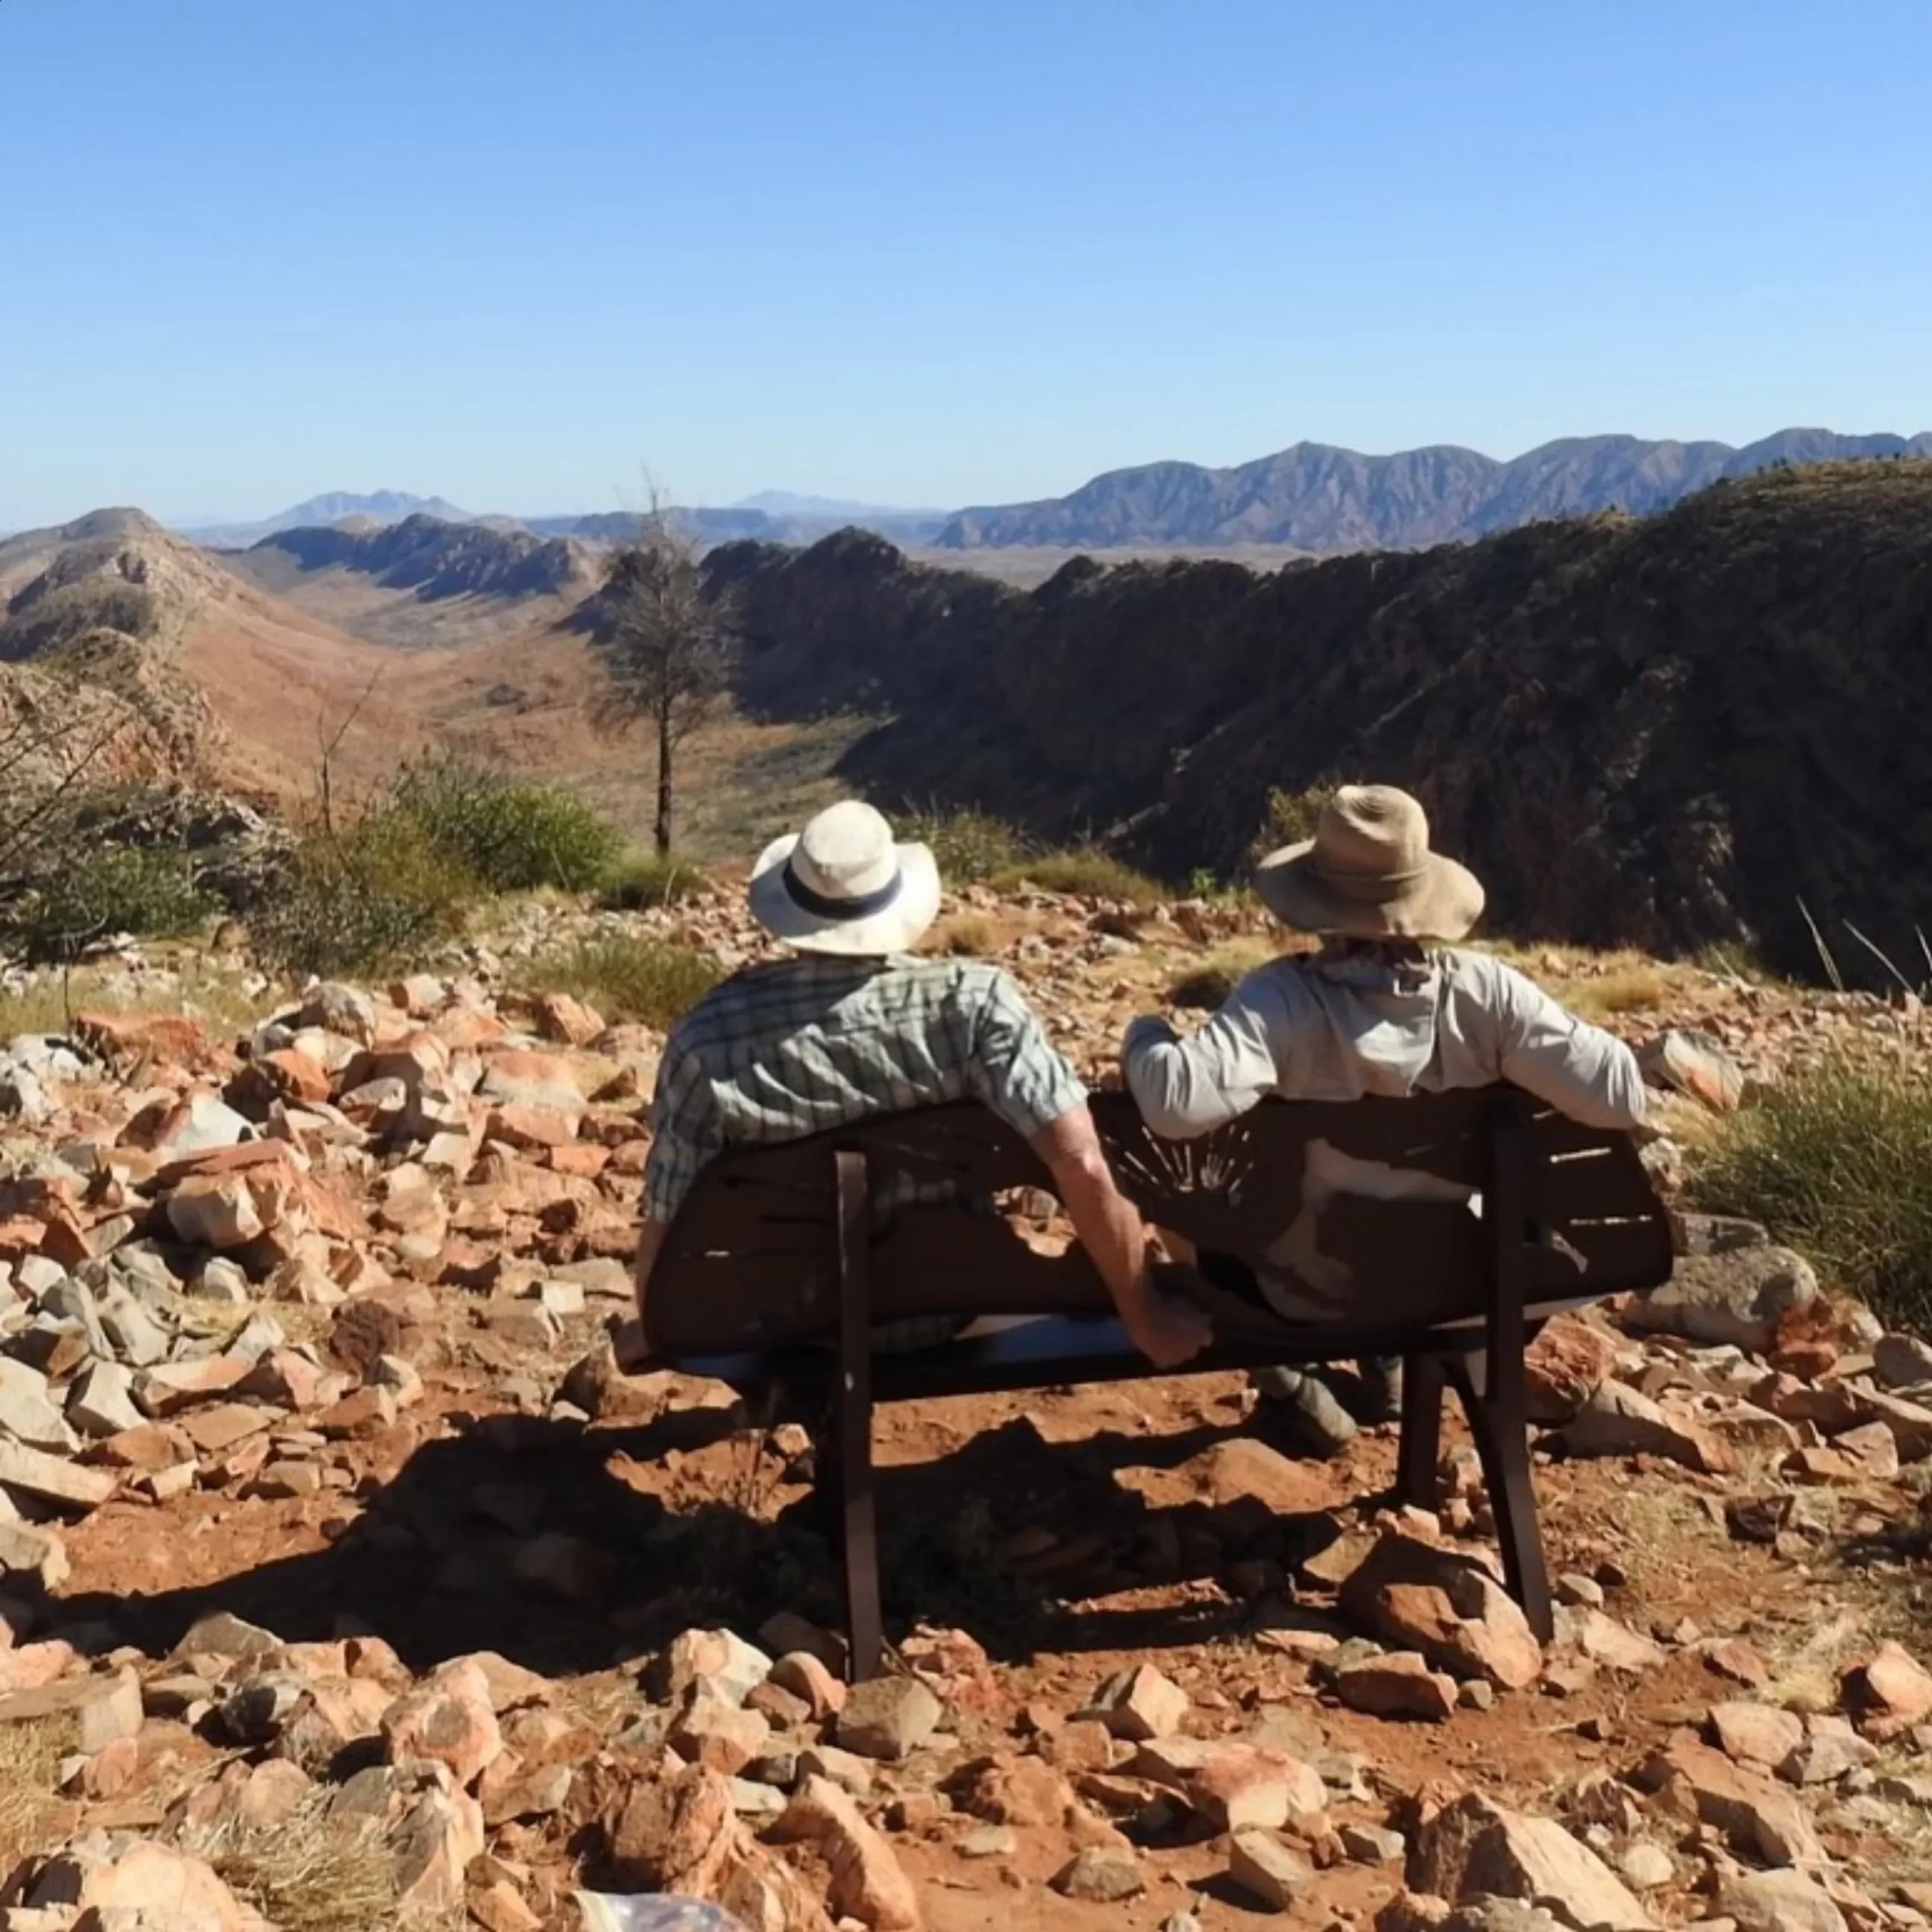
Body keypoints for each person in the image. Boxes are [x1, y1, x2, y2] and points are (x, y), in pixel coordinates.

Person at [1121, 783, 1647, 1456]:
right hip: (1464, 1281)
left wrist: (1145, 1035)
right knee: (1418, 1205)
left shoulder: (1282, 998)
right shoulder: (1485, 993)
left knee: (1182, 1201)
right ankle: (1390, 1366)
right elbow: (1622, 1095)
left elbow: (1173, 1105)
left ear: (1316, 900)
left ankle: (1287, 1384)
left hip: (1299, 1294)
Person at [629, 799, 1213, 1369]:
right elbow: (1081, 1163)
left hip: (796, 1322)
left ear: (792, 910)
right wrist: (1143, 1312)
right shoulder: (973, 1005)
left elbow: (669, 1213)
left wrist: (659, 1328)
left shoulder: (709, 1036)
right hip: (952, 1307)